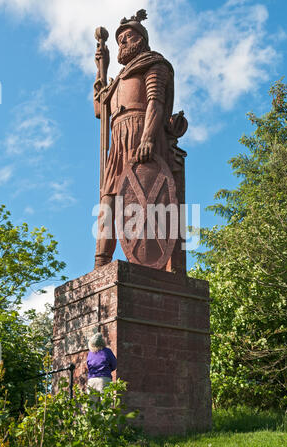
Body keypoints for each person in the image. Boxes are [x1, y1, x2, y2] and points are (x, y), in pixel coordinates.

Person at [93, 9, 176, 268]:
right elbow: (100, 111)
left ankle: (150, 264)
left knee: (143, 198)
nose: (123, 43)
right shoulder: (117, 79)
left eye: (128, 37)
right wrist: (101, 70)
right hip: (117, 141)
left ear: (141, 38)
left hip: (141, 134)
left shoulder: (154, 64)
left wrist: (148, 138)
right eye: (120, 40)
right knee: (108, 198)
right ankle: (101, 262)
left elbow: (156, 103)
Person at [86, 333, 117, 402]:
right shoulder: (107, 351)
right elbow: (114, 364)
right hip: (104, 379)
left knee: (91, 407)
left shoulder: (90, 353)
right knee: (105, 405)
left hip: (91, 380)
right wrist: (107, 370)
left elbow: (88, 366)